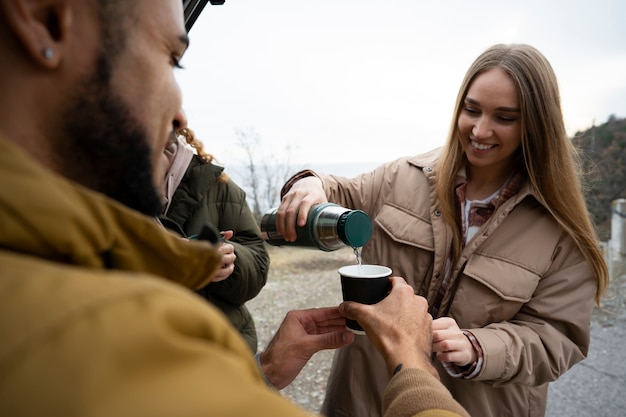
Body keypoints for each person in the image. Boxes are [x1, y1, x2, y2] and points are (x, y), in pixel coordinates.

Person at [0, 0, 470, 416]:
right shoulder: (102, 324)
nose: (181, 113)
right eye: (172, 59)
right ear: (46, 19)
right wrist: (411, 362)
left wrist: (262, 370)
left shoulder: (62, 262)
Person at [275, 43, 609, 417]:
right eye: (472, 110)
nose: (480, 130)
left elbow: (557, 338)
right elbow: (341, 191)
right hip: (363, 400)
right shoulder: (403, 176)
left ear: (535, 124)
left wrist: (478, 348)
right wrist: (310, 183)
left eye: (505, 117)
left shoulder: (562, 228)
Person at [159, 126, 270, 353]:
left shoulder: (220, 186)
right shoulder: (97, 184)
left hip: (219, 349)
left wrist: (231, 260)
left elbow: (258, 266)